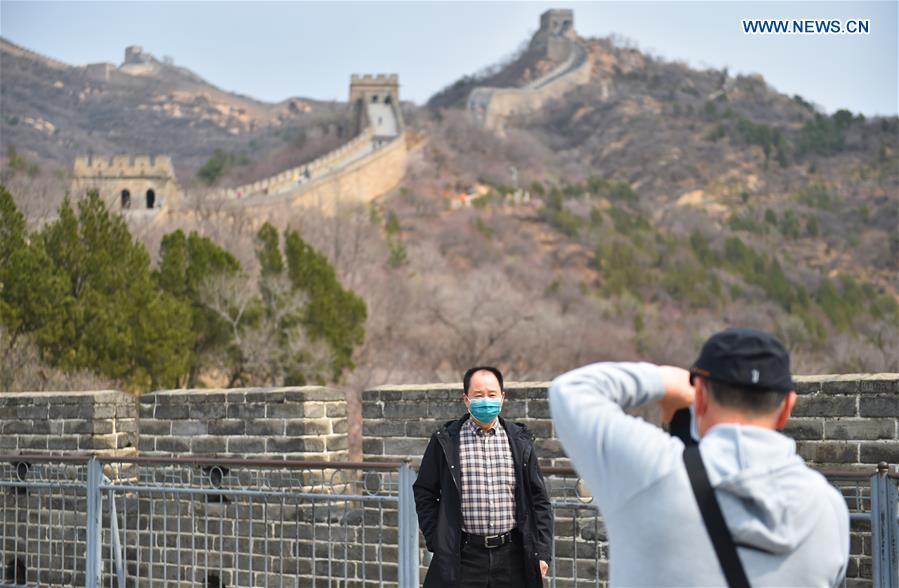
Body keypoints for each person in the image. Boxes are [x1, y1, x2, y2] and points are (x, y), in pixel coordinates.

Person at [549, 328, 849, 587]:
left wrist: (665, 379)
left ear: (701, 397)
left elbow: (571, 391)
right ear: (787, 408)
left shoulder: (653, 471)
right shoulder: (828, 508)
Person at [413, 366, 554, 587]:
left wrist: (542, 552)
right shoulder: (446, 440)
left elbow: (540, 500)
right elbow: (425, 492)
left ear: (502, 398)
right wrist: (437, 540)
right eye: (478, 395)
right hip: (463, 556)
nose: (486, 401)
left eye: (492, 394)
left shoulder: (519, 441)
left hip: (513, 556)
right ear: (466, 400)